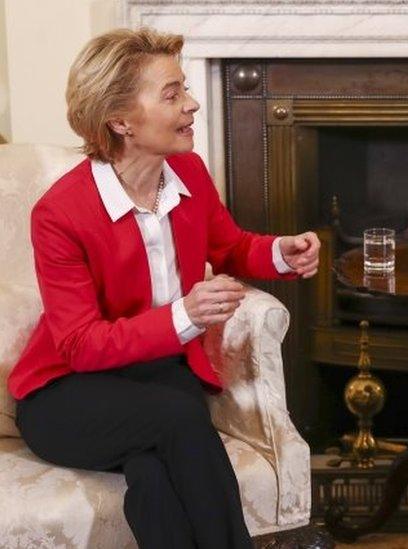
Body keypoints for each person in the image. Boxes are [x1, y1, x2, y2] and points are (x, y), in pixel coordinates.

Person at [6, 28, 321, 549]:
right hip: (65, 394)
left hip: (157, 377)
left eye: (185, 89)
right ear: (120, 119)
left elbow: (231, 246)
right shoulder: (61, 213)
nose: (192, 104)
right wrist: (186, 315)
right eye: (172, 94)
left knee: (153, 477)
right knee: (177, 417)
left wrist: (278, 252)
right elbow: (81, 345)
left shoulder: (188, 172)